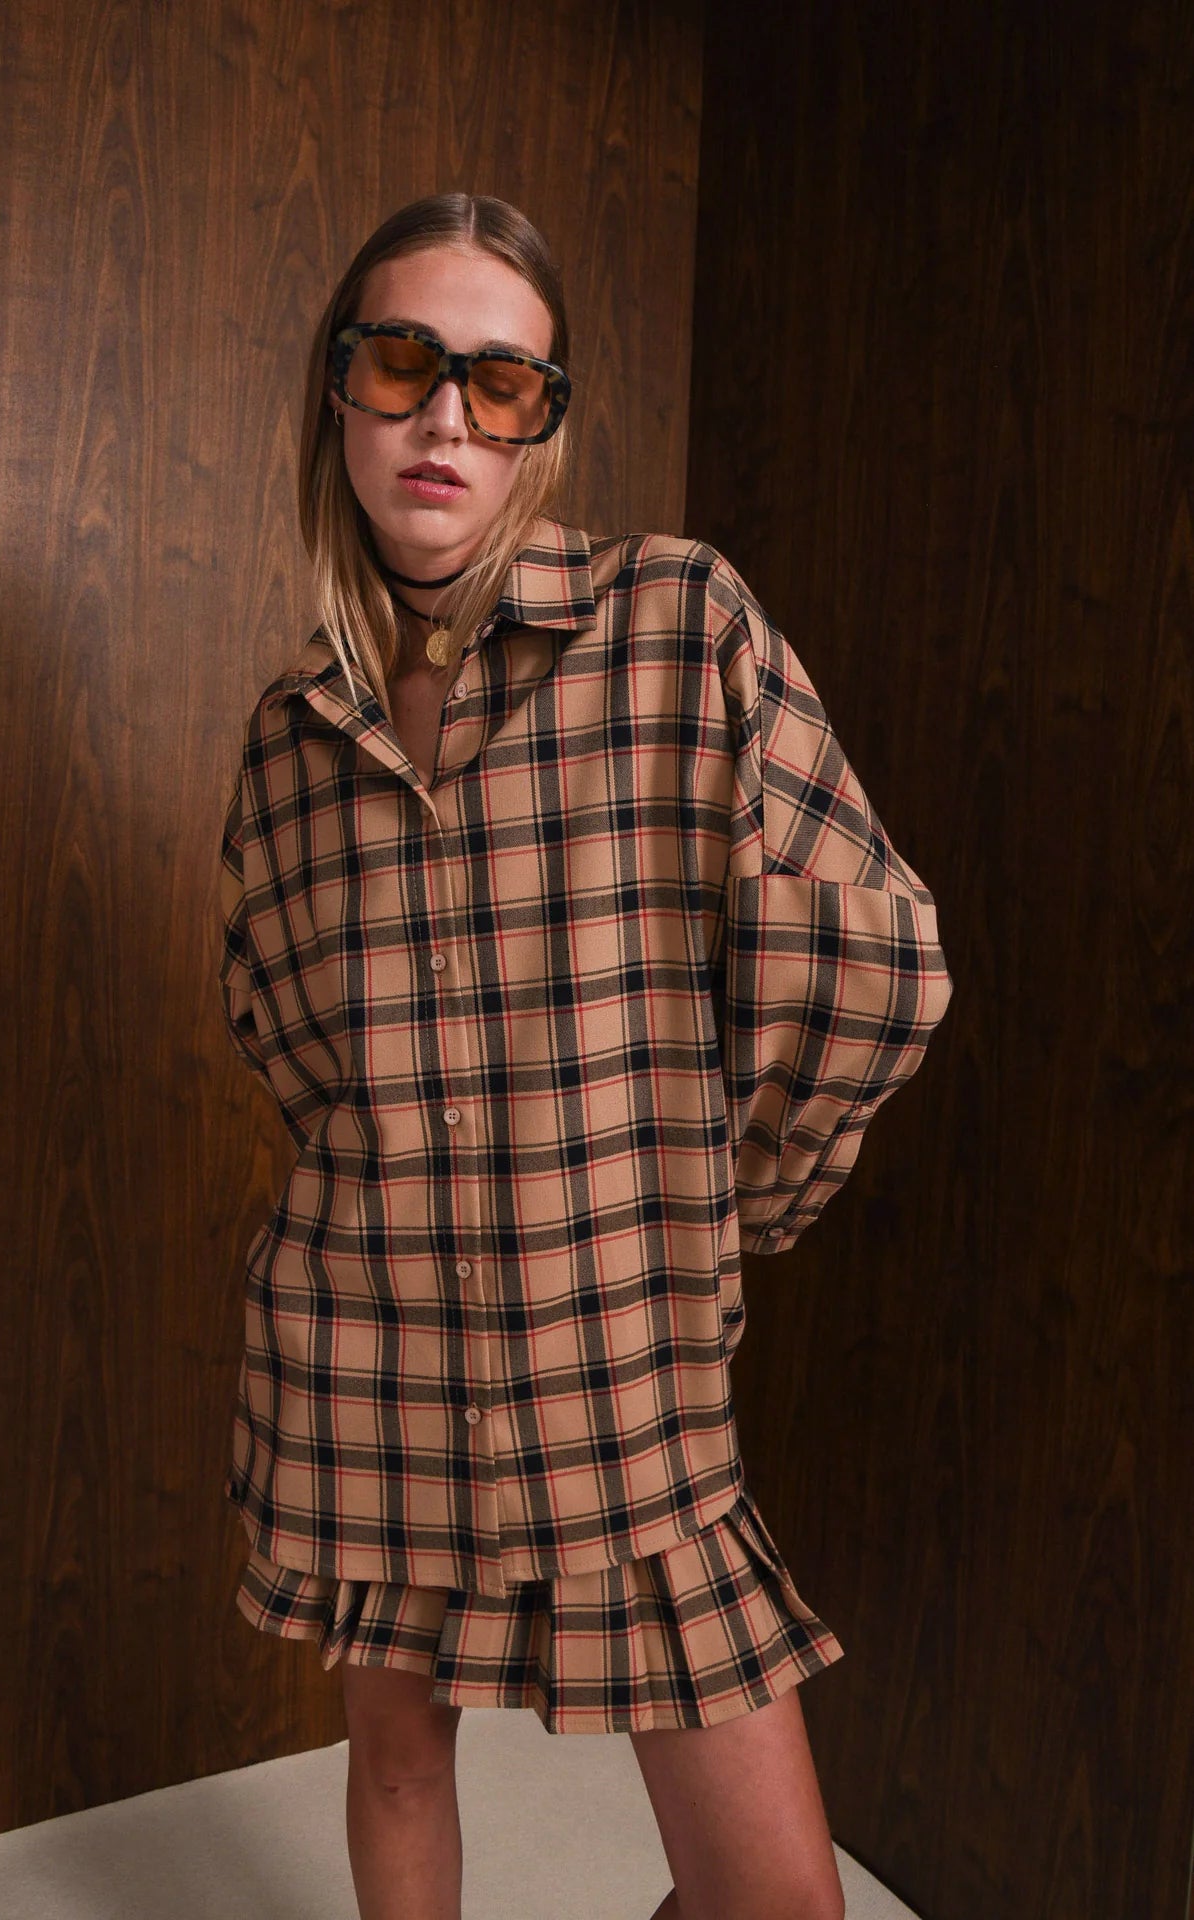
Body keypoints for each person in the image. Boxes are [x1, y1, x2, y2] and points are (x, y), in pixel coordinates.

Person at [217, 191, 953, 1920]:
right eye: (402, 362)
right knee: (397, 1763)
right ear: (337, 388)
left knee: (777, 1901)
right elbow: (297, 1059)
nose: (445, 417)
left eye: (500, 382)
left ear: (542, 418)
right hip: (365, 1361)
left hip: (620, 1371)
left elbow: (873, 962)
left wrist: (720, 1211)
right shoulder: (289, 742)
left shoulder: (674, 622)